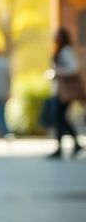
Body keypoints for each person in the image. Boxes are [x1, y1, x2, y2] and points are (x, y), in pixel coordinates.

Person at [47, 27, 83, 159]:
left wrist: (59, 72)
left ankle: (60, 148)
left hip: (64, 92)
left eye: (56, 36)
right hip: (60, 90)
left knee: (59, 118)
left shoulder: (66, 51)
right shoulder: (61, 51)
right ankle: (75, 144)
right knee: (61, 119)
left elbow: (74, 68)